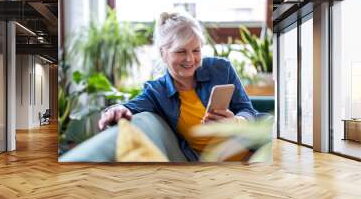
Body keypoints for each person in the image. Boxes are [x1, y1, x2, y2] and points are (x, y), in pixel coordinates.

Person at [98, 11, 258, 161]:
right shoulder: (157, 92)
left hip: (254, 155)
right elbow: (127, 107)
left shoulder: (221, 69)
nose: (190, 59)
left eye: (196, 50)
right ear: (163, 53)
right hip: (211, 169)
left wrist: (236, 122)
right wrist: (115, 109)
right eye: (181, 51)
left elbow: (247, 110)